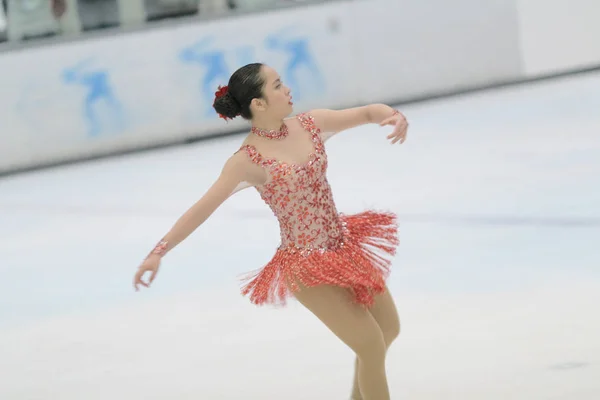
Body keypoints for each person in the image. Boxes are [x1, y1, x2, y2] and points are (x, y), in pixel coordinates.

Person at [133, 63, 409, 400]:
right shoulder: (246, 160)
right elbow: (202, 208)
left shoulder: (311, 123)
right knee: (370, 345)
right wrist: (158, 251)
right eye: (277, 85)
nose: (288, 89)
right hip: (307, 266)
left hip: (343, 246)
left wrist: (391, 115)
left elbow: (366, 112)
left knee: (388, 329)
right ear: (258, 104)